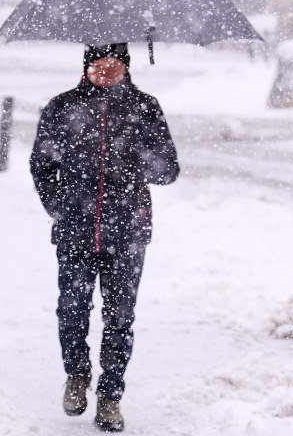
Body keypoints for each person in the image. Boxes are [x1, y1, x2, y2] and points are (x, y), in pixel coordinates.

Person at [30, 43, 179, 432]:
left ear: (126, 67)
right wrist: (59, 206)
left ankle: (111, 397)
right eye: (99, 63)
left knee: (121, 317)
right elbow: (41, 164)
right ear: (86, 66)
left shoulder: (145, 107)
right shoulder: (62, 107)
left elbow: (168, 170)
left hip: (127, 230)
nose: (106, 70)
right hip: (76, 230)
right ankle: (77, 376)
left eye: (114, 64)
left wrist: (142, 155)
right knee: (72, 309)